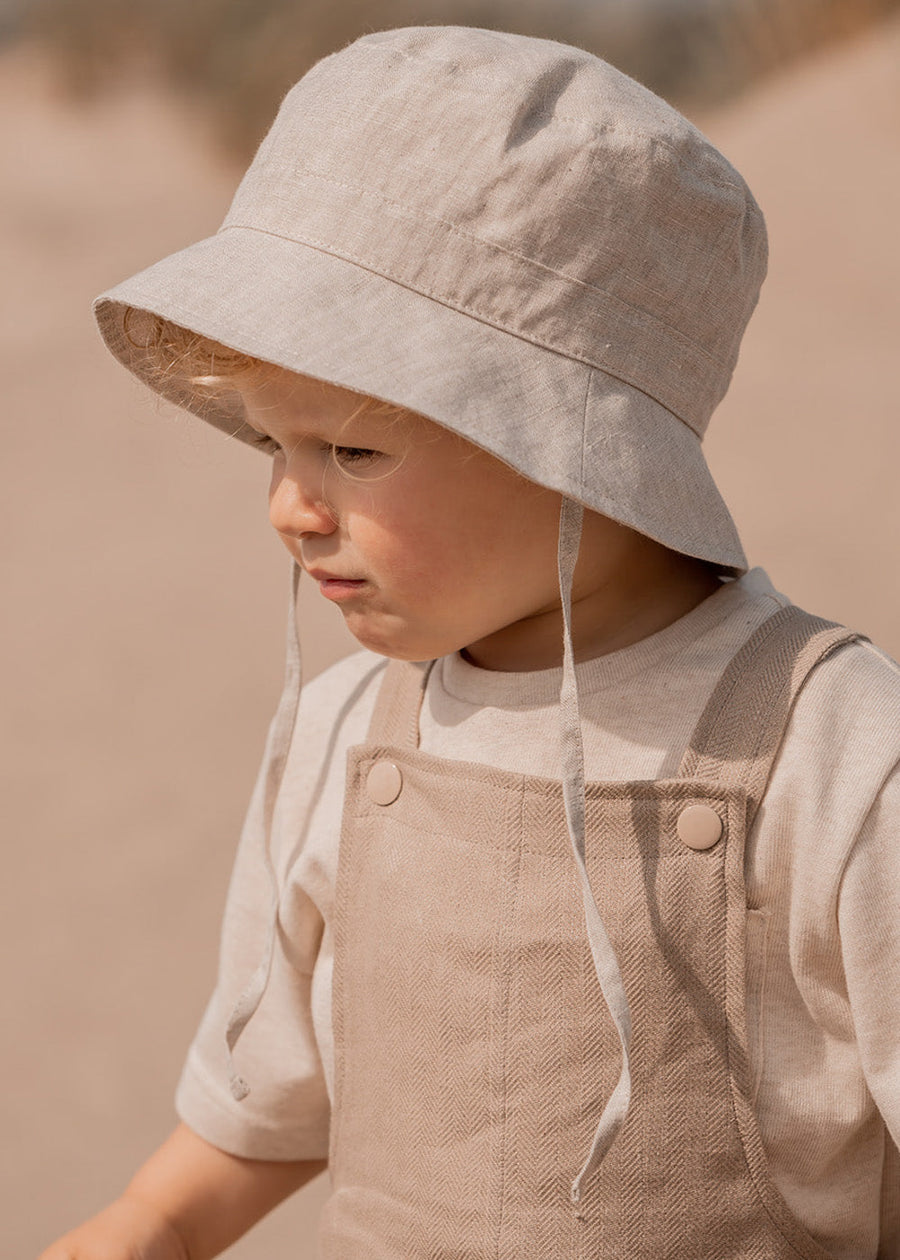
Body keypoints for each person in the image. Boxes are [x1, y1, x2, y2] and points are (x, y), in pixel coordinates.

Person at [41, 25, 898, 1260]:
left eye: (352, 449)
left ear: (577, 452)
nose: (291, 505)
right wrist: (153, 1223)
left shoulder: (831, 749)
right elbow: (272, 1098)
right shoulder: (346, 733)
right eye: (274, 446)